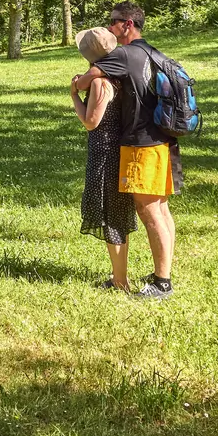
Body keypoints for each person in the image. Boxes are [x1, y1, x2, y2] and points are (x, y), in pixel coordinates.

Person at [70, 1, 178, 299]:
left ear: (128, 24)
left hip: (142, 143)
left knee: (148, 210)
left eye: (114, 21)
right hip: (163, 137)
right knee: (160, 208)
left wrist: (75, 87)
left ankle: (162, 283)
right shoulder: (151, 52)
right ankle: (163, 274)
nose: (110, 26)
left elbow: (87, 80)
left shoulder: (123, 54)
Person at [72, 26, 137, 291]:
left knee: (111, 215)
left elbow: (91, 122)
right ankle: (119, 275)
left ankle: (120, 281)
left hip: (105, 151)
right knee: (117, 214)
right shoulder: (119, 76)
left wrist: (74, 95)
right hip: (117, 149)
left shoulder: (100, 82)